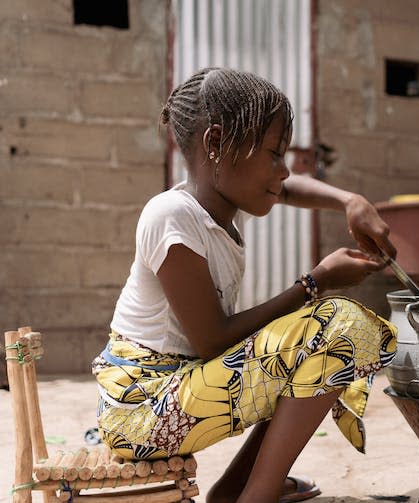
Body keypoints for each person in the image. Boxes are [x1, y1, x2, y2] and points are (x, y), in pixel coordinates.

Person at [91, 67, 399, 503]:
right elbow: (213, 341)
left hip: (178, 393)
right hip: (142, 412)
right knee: (338, 329)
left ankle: (235, 490)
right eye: (274, 154)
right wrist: (316, 282)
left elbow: (287, 189)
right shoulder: (171, 217)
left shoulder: (219, 205)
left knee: (305, 352)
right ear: (216, 144)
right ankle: (257, 494)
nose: (284, 170)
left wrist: (350, 202)